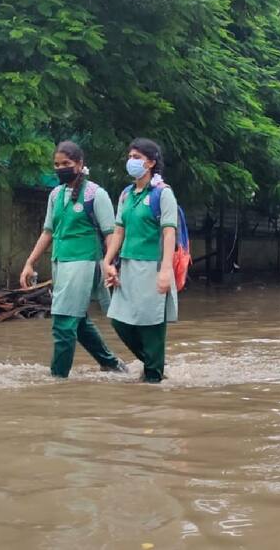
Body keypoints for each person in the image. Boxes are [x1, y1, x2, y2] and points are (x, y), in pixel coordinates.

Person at [20, 141, 126, 377]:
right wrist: (29, 263)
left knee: (63, 322)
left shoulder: (95, 194)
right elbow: (48, 232)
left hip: (85, 263)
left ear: (80, 164)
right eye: (56, 165)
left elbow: (111, 234)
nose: (60, 168)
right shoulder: (56, 195)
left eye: (66, 164)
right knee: (77, 321)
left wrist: (110, 265)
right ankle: (111, 364)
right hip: (61, 263)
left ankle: (58, 379)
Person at [104, 138, 178, 384]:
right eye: (130, 156)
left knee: (151, 324)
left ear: (151, 162)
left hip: (152, 267)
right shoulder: (126, 194)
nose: (131, 161)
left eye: (137, 157)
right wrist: (108, 260)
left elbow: (169, 232)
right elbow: (119, 230)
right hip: (126, 266)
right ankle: (153, 364)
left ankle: (154, 379)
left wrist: (166, 270)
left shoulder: (162, 194)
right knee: (119, 320)